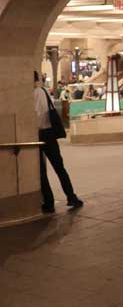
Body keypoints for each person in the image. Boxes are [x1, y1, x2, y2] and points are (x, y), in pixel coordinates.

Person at [33, 71, 83, 214]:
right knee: (59, 168)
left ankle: (48, 203)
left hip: (37, 135)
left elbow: (36, 115)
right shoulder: (43, 91)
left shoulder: (29, 94)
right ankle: (71, 197)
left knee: (41, 171)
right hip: (49, 133)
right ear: (38, 79)